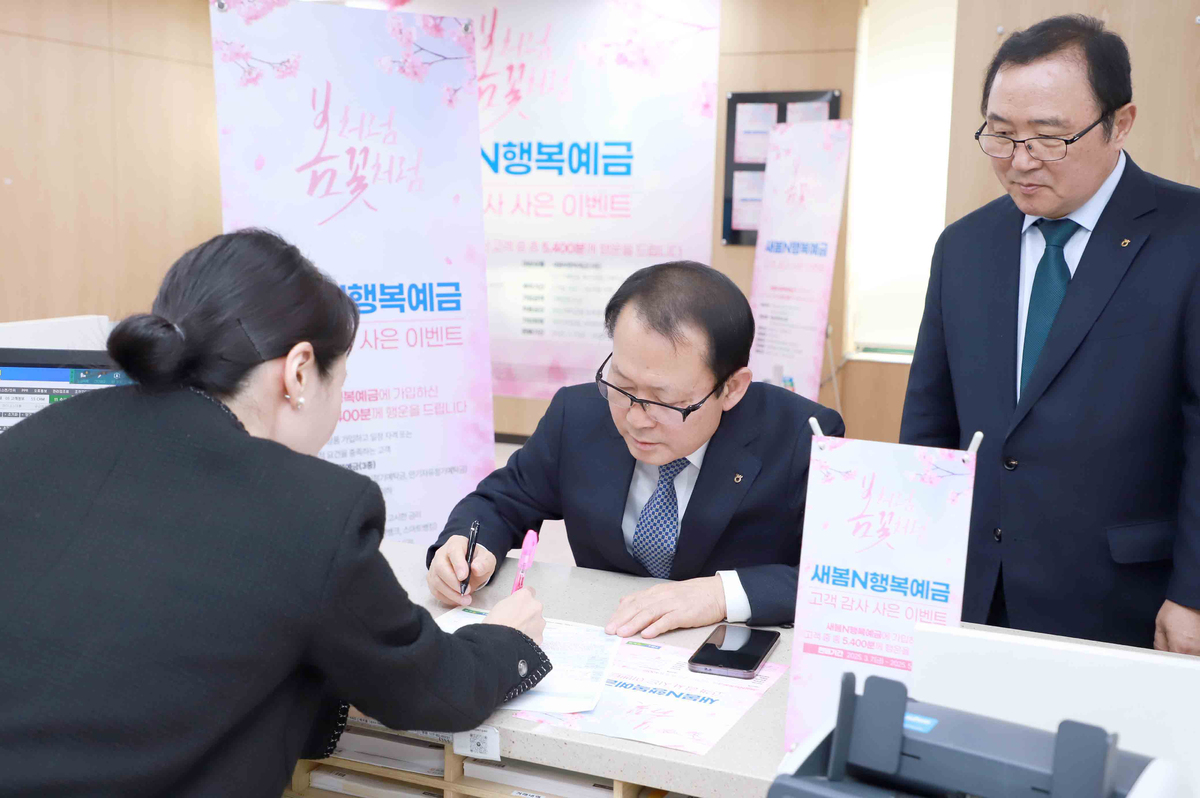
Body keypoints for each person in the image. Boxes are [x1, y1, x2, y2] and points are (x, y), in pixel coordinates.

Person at [0, 230, 551, 798]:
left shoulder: (33, 438)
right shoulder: (312, 509)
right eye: (341, 379)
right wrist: (506, 641)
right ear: (299, 371)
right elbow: (433, 689)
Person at [901, 15, 1200, 652]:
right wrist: (913, 566)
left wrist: (1194, 592)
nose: (1019, 161)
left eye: (1048, 138)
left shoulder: (1189, 236)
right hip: (975, 591)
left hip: (1128, 597)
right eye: (1001, 135)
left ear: (1120, 122)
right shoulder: (964, 247)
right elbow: (929, 423)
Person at [427, 261, 844, 637]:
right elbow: (501, 503)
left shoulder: (802, 437)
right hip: (604, 641)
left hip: (727, 654)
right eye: (623, 385)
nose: (637, 418)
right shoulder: (579, 414)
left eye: (666, 400)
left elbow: (840, 576)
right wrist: (465, 548)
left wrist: (721, 594)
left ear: (731, 388)